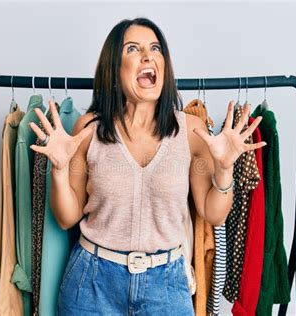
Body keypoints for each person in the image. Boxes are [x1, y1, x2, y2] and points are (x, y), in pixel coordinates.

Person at [29, 17, 265, 315]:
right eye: (133, 49)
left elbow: (213, 212)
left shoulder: (192, 132)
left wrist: (224, 169)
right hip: (92, 284)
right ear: (114, 69)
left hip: (165, 286)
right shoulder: (89, 127)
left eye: (155, 48)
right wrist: (60, 170)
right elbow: (66, 218)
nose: (148, 55)